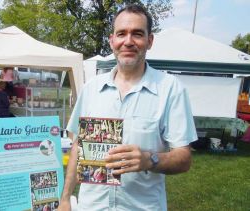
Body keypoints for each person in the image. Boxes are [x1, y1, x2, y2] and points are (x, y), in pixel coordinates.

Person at [59, 4, 197, 211]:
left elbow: (184, 158)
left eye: (138, 34)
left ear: (149, 41)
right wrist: (66, 199)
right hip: (92, 206)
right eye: (121, 33)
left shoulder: (171, 89)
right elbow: (78, 146)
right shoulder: (91, 88)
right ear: (112, 40)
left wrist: (149, 159)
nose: (128, 41)